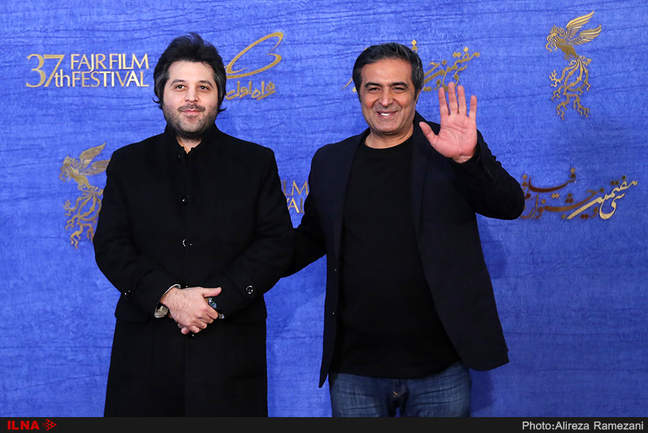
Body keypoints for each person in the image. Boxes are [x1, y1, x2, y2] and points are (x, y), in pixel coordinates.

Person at [289, 42, 525, 417]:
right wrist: (242, 261)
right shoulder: (331, 160)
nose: (385, 100)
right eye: (373, 88)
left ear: (416, 92)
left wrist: (467, 159)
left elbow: (510, 205)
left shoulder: (448, 146)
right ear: (359, 92)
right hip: (354, 369)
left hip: (439, 367)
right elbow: (308, 240)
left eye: (398, 88)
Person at [93, 33, 292, 416]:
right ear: (161, 93)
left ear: (220, 96)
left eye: (204, 87)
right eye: (180, 86)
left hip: (230, 348)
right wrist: (170, 297)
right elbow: (111, 246)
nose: (192, 98)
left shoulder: (255, 163)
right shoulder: (128, 164)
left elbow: (275, 244)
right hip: (145, 351)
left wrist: (213, 304)